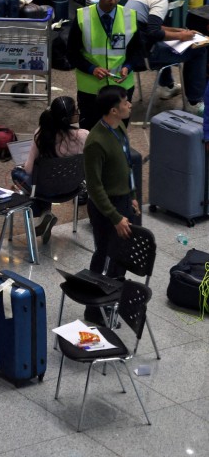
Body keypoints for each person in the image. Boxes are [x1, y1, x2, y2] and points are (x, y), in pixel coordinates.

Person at [82, 85, 141, 322]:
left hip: (124, 199)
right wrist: (115, 217)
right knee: (105, 256)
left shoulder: (120, 129)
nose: (129, 105)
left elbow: (127, 165)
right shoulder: (95, 142)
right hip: (107, 208)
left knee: (121, 256)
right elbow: (95, 187)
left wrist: (133, 194)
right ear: (114, 110)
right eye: (126, 102)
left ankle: (112, 300)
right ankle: (94, 307)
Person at [123, 0, 206, 116]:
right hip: (144, 55)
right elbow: (154, 32)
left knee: (168, 40)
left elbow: (149, 26)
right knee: (199, 50)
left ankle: (167, 86)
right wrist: (181, 37)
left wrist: (177, 31)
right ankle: (194, 102)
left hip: (130, 51)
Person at [67, 0, 143, 130]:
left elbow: (138, 52)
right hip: (91, 89)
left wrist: (128, 66)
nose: (113, 1)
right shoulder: (83, 17)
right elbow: (72, 53)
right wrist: (91, 69)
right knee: (90, 131)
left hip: (121, 86)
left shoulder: (130, 17)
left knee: (119, 130)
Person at [11, 96, 89, 244]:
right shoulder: (84, 136)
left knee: (18, 173)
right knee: (44, 181)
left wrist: (20, 167)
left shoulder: (42, 134)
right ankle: (44, 215)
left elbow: (28, 169)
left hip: (45, 189)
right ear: (71, 117)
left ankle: (44, 213)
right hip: (73, 187)